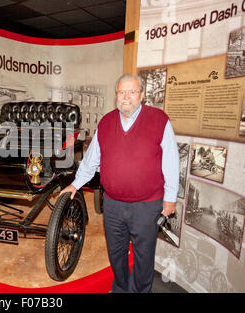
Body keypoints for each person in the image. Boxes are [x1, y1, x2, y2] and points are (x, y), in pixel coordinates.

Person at [60, 73, 179, 293]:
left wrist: (170, 198)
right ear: (116, 95)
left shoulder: (159, 120)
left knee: (144, 256)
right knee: (116, 253)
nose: (126, 97)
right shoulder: (106, 122)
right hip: (113, 205)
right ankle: (122, 288)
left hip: (147, 205)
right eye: (122, 92)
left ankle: (140, 291)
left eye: (132, 92)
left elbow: (171, 162)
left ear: (142, 95)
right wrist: (76, 184)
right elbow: (91, 159)